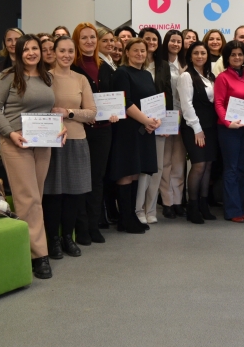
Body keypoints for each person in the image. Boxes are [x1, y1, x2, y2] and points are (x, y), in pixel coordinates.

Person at [0, 34, 63, 279]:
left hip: (43, 143)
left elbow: (49, 109)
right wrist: (9, 133)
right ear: (19, 53)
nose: (31, 53)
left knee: (35, 197)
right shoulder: (7, 76)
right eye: (26, 49)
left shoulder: (47, 77)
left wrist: (60, 128)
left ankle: (27, 249)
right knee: (28, 198)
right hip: (16, 142)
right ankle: (39, 256)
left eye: (35, 48)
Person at [43, 37, 96, 259]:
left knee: (74, 194)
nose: (66, 55)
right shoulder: (45, 78)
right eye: (62, 51)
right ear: (53, 53)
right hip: (52, 141)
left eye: (70, 51)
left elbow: (91, 113)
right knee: (53, 194)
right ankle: (53, 240)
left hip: (77, 141)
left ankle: (68, 237)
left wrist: (69, 113)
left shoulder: (81, 79)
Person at [71, 22, 118, 245]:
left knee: (97, 179)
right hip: (81, 130)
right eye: (84, 38)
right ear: (77, 41)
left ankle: (94, 225)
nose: (89, 41)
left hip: (103, 131)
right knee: (81, 179)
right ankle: (81, 227)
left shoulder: (105, 67)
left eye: (92, 37)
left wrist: (115, 113)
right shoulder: (73, 67)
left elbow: (113, 97)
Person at [108, 38, 160, 234]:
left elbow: (153, 101)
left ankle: (131, 216)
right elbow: (125, 102)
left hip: (144, 129)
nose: (140, 54)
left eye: (143, 51)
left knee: (137, 170)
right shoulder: (122, 73)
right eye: (135, 50)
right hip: (127, 129)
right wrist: (146, 121)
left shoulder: (146, 74)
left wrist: (155, 120)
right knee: (126, 171)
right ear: (127, 53)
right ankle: (124, 218)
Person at [214, 40, 244, 222]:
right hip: (229, 129)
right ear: (227, 57)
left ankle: (240, 206)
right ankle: (232, 211)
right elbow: (218, 103)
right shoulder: (222, 77)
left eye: (240, 54)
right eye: (233, 55)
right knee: (231, 169)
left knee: (241, 169)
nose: (237, 57)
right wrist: (227, 122)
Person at [178, 42, 219, 224]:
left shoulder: (210, 76)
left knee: (208, 165)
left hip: (211, 126)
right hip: (194, 127)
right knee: (199, 165)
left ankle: (204, 205)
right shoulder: (186, 76)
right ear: (190, 56)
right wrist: (197, 129)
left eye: (203, 53)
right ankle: (192, 207)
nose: (200, 56)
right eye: (196, 53)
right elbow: (186, 105)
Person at [135, 27, 164, 224]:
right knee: (142, 170)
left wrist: (159, 120)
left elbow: (163, 94)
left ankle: (151, 209)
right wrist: (145, 121)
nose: (151, 43)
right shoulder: (128, 70)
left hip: (157, 122)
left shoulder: (161, 66)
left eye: (154, 39)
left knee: (157, 168)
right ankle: (138, 209)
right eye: (147, 39)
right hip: (138, 125)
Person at [158, 30, 187, 220]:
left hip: (183, 117)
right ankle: (167, 201)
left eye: (178, 41)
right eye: (172, 40)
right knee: (165, 162)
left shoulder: (185, 64)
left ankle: (178, 201)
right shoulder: (159, 65)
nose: (175, 44)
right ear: (166, 42)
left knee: (179, 162)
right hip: (165, 117)